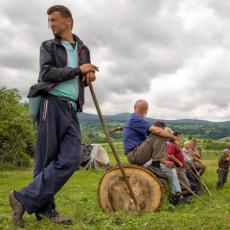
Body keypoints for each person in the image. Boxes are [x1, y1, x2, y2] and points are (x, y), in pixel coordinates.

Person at [9, 5, 98, 228]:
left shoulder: (83, 48)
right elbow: (46, 73)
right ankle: (47, 213)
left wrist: (88, 76)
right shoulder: (48, 46)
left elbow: (84, 74)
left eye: (54, 20)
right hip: (51, 104)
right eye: (49, 21)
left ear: (68, 21)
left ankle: (21, 198)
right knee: (46, 160)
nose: (50, 25)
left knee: (71, 159)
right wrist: (79, 70)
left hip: (71, 108)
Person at [123, 101, 186, 204]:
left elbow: (152, 143)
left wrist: (169, 139)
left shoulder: (139, 122)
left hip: (141, 154)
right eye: (141, 109)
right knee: (158, 134)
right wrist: (173, 138)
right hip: (134, 154)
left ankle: (176, 197)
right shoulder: (135, 118)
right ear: (134, 108)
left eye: (145, 110)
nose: (143, 112)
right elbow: (157, 132)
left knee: (170, 171)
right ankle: (156, 164)